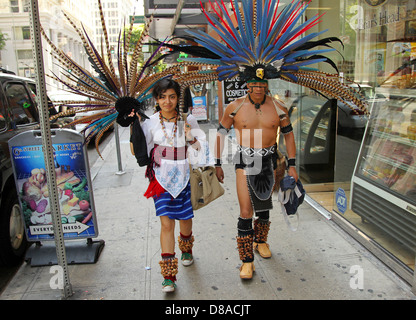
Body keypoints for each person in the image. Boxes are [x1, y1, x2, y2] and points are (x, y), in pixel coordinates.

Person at [214, 77, 298, 280]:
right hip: (245, 159)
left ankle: (260, 241)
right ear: (247, 85)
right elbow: (221, 133)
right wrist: (217, 163)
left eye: (262, 84)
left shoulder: (279, 107)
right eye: (254, 84)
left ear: (267, 85)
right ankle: (246, 261)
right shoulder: (235, 106)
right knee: (246, 210)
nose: (258, 88)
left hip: (269, 159)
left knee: (263, 205)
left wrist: (293, 165)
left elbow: (288, 135)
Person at [125, 78, 203, 293]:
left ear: (178, 98)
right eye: (162, 97)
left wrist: (190, 138)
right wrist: (134, 126)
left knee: (185, 219)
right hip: (160, 179)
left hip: (185, 176)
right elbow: (138, 151)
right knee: (167, 224)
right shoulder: (149, 123)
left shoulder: (189, 120)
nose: (167, 101)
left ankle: (186, 249)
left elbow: (199, 152)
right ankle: (169, 275)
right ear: (156, 99)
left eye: (171, 96)